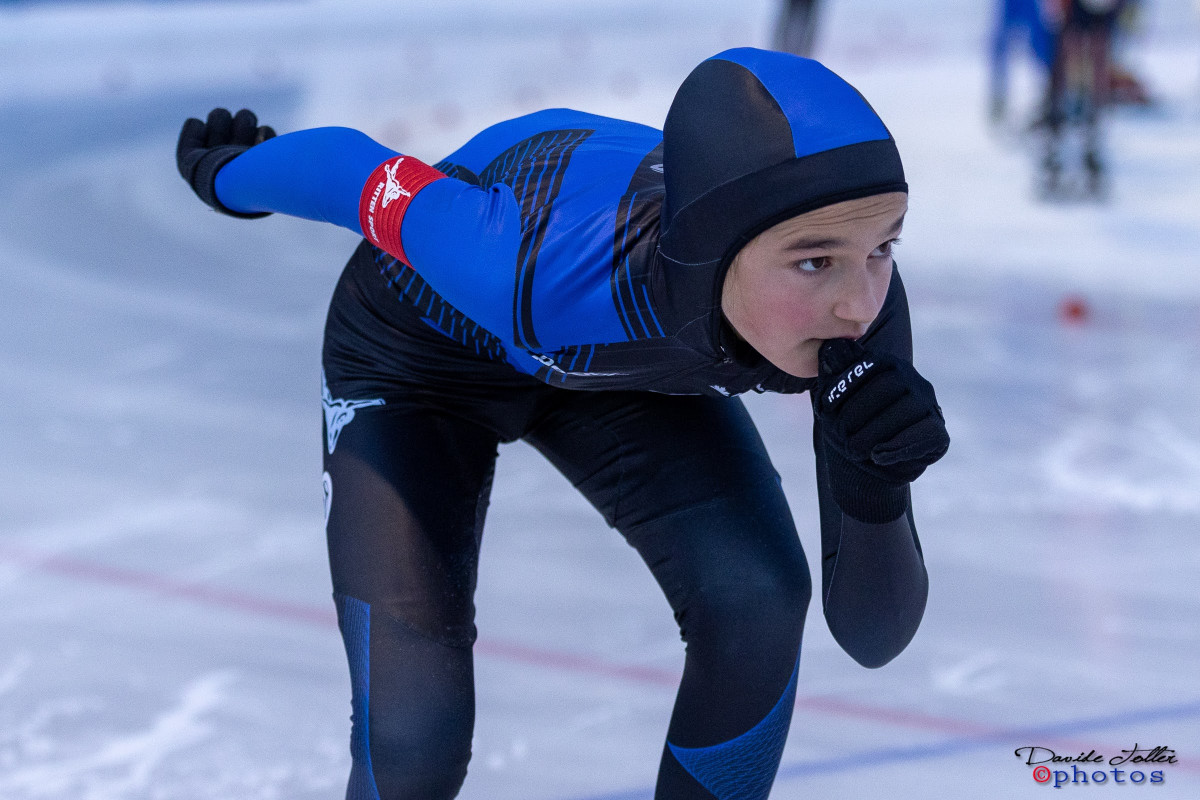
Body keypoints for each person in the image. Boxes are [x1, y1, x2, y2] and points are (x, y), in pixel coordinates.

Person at [176, 47, 949, 800]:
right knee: (415, 740)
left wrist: (872, 485)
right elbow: (354, 173)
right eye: (814, 262)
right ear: (713, 252)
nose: (858, 304)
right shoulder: (514, 259)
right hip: (417, 361)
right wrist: (227, 176)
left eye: (884, 246)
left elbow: (873, 638)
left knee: (758, 601)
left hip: (621, 369)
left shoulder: (862, 311)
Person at [1040, 0, 1129, 197]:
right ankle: (1058, 137)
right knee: (1069, 56)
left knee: (1096, 56)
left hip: (1100, 10)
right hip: (1073, 11)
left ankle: (1088, 137)